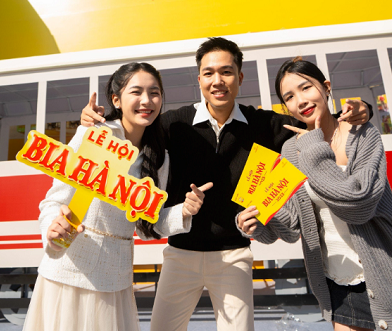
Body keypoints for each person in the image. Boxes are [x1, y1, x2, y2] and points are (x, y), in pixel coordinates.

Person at [81, 38, 372, 331]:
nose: (217, 81)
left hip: (234, 255)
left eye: (227, 72)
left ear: (240, 77)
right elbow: (133, 127)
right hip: (180, 254)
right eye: (208, 73)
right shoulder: (175, 124)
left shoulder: (264, 124)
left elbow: (317, 122)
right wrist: (96, 121)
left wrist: (364, 111)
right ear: (199, 80)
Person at [237, 58, 392, 331]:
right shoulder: (291, 150)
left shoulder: (362, 134)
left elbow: (359, 205)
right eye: (289, 97)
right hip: (338, 284)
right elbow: (292, 227)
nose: (301, 101)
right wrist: (258, 221)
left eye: (306, 87)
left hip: (391, 276)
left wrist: (313, 147)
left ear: (326, 87)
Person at [24, 63, 212, 331]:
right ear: (116, 99)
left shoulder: (159, 157)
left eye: (154, 93)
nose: (146, 100)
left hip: (116, 281)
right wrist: (52, 229)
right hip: (69, 275)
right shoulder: (93, 134)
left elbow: (148, 226)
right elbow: (54, 200)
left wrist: (184, 210)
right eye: (136, 92)